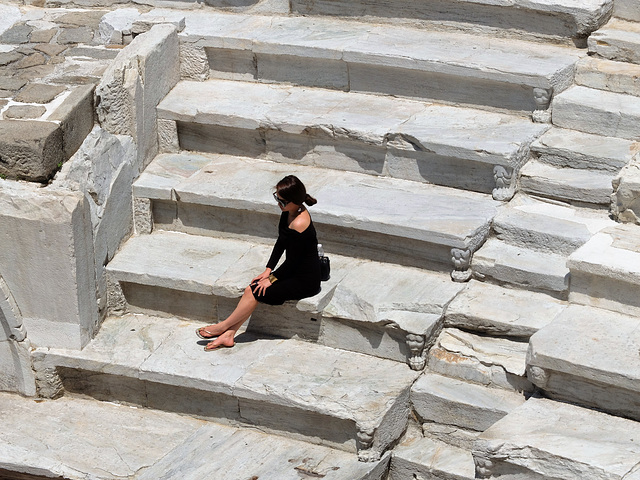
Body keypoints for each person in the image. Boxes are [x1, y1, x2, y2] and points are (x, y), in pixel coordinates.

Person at [195, 175, 322, 351]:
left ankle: (222, 327)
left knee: (257, 290)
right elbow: (281, 242)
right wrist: (268, 269)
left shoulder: (300, 223)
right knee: (252, 287)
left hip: (305, 280)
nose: (279, 203)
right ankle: (228, 336)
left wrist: (272, 278)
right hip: (293, 271)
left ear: (295, 201)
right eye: (277, 198)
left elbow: (294, 262)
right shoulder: (288, 213)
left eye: (283, 201)